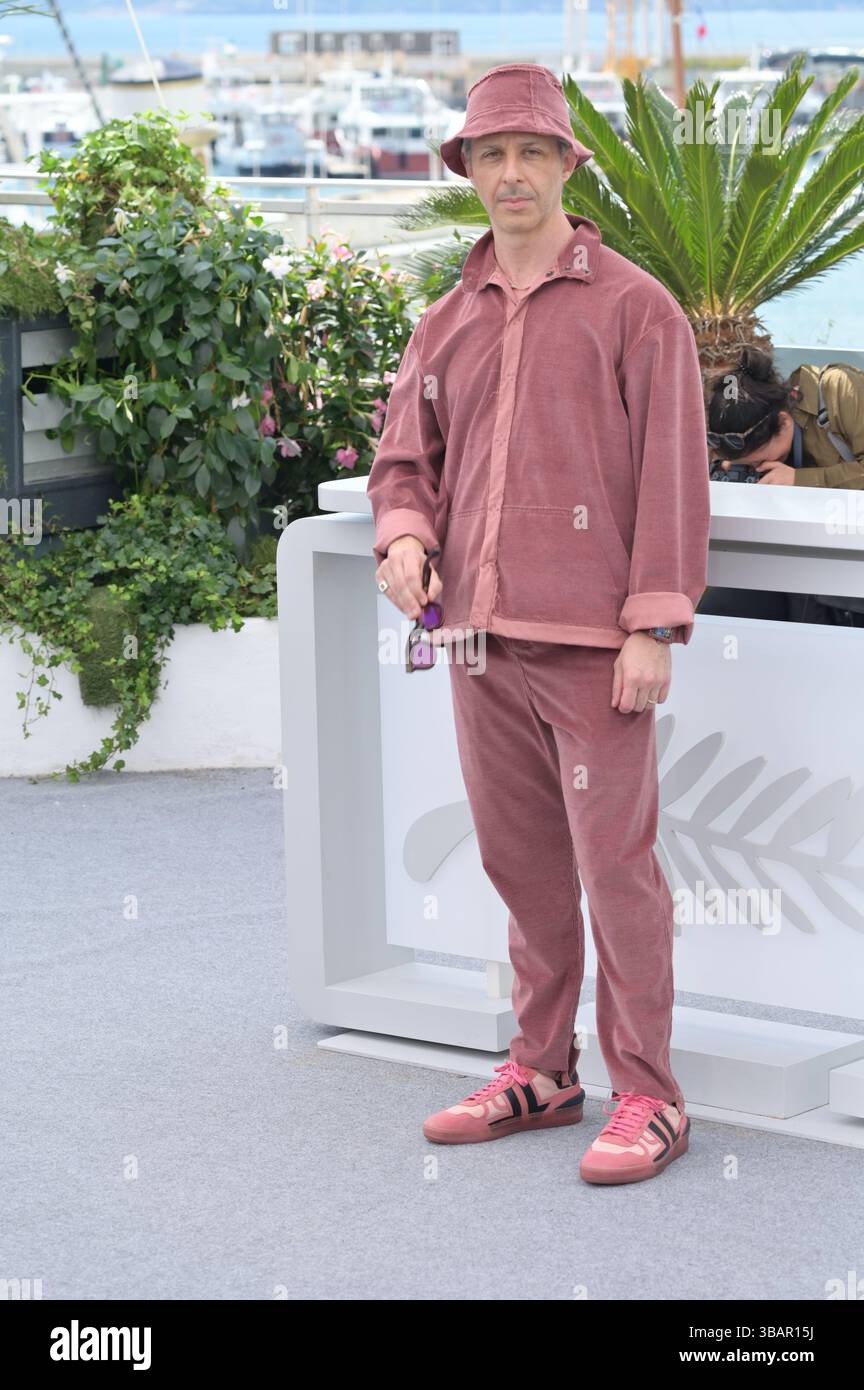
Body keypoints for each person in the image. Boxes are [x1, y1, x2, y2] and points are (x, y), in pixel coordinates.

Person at [365, 63, 710, 1185]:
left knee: (618, 870)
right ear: (468, 173)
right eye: (490, 156)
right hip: (472, 634)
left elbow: (671, 476)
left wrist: (654, 621)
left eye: (531, 152)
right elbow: (404, 460)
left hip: (596, 643)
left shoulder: (638, 307)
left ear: (568, 164)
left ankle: (649, 1093)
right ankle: (543, 1071)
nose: (511, 174)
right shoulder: (446, 318)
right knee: (520, 866)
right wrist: (406, 532)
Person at [701, 345, 864, 625]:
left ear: (785, 423)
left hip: (846, 568)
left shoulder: (841, 391)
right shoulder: (754, 424)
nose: (760, 470)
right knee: (717, 613)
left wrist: (799, 480)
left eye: (762, 461)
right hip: (795, 561)